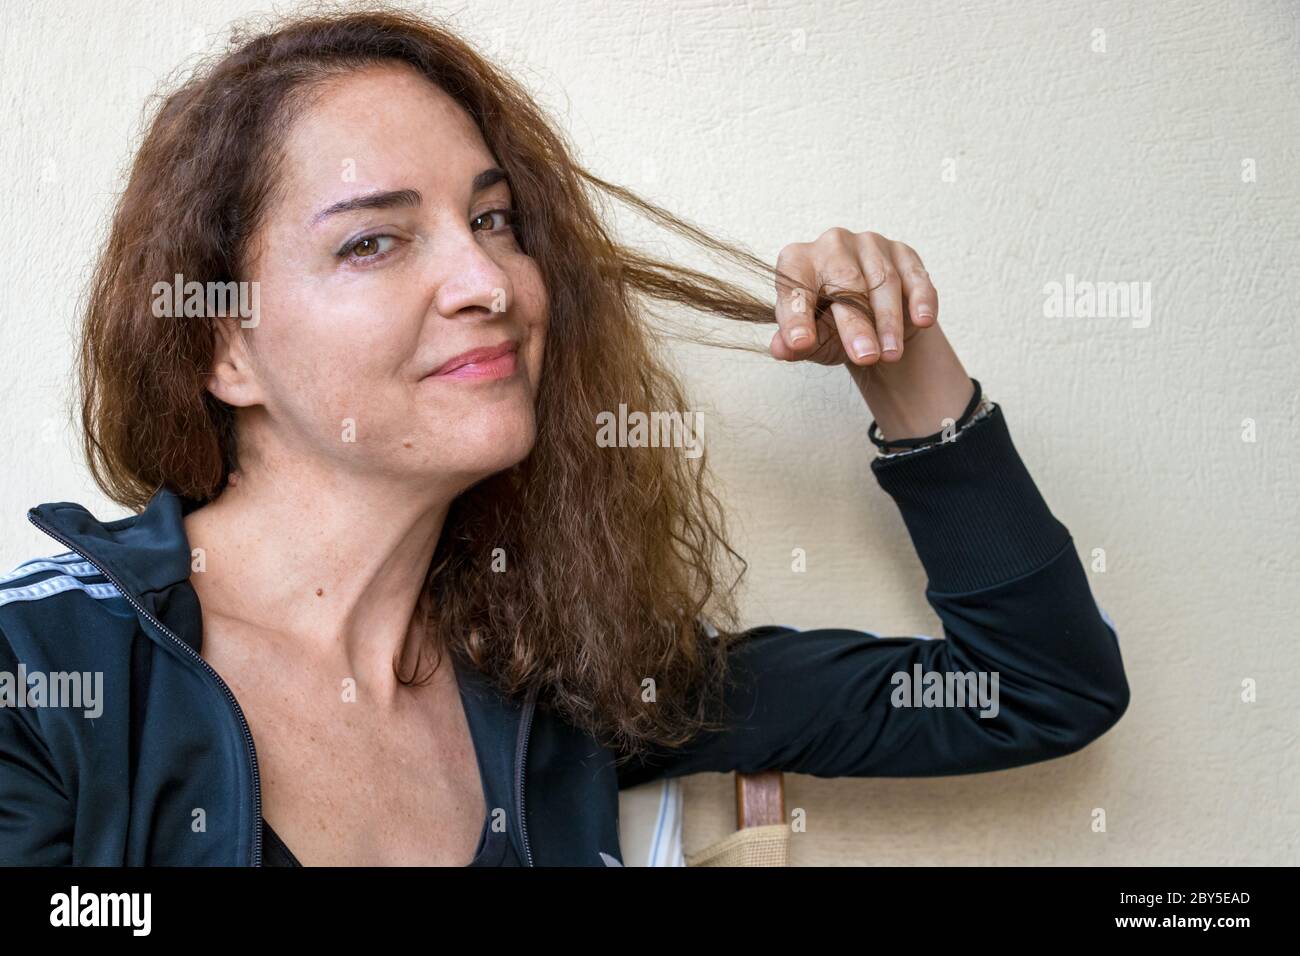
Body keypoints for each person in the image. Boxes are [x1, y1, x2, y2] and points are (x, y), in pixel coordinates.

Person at [0, 8, 1129, 867]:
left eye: (493, 220)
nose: (486, 279)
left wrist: (904, 364)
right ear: (219, 348)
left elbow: (1032, 687)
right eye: (373, 243)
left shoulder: (574, 677)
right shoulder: (46, 678)